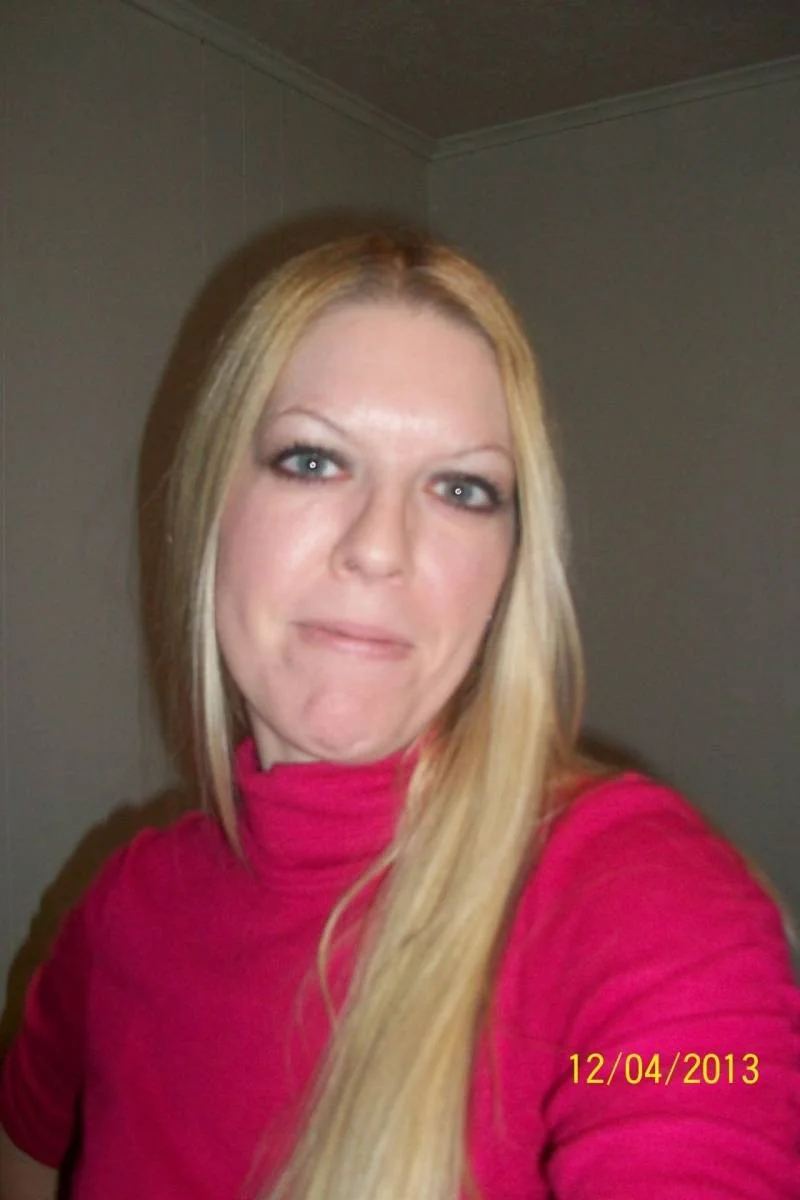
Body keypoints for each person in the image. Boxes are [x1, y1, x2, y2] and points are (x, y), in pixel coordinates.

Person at [0, 231, 798, 1199]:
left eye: (461, 489)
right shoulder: (124, 908)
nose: (380, 547)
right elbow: (26, 1136)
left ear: (508, 569)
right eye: (311, 460)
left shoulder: (648, 910)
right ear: (211, 508)